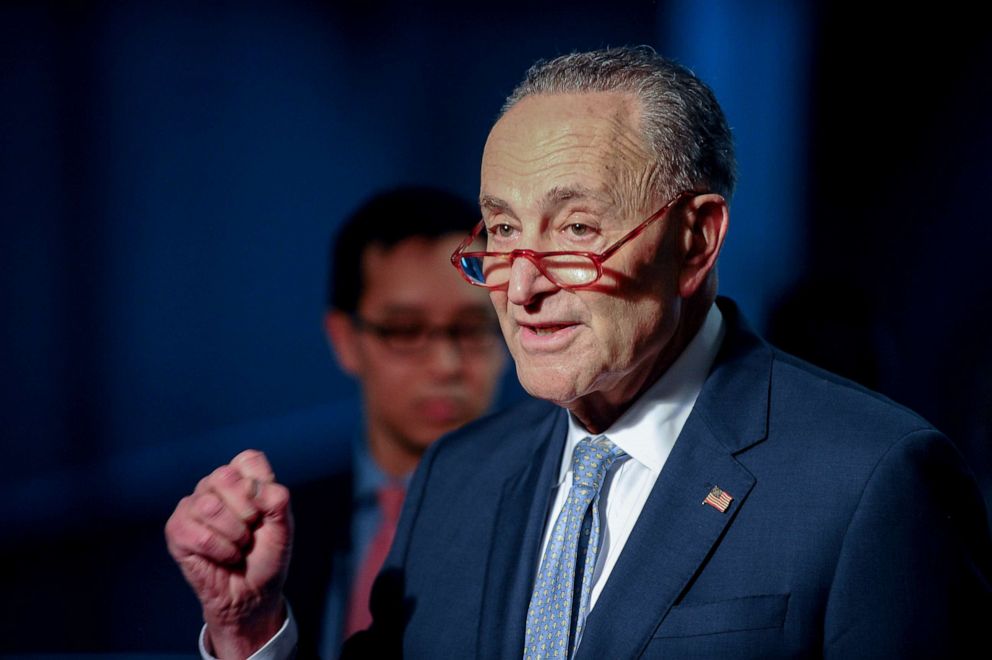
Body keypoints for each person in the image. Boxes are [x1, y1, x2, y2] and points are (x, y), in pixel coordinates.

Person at [165, 47, 991, 659]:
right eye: (501, 232)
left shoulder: (873, 480)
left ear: (695, 240)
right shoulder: (458, 475)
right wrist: (249, 631)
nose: (520, 289)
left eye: (576, 231)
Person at [168, 186, 506, 658]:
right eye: (406, 331)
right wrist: (245, 634)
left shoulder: (558, 517)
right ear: (345, 339)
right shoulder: (263, 525)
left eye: (472, 329)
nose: (446, 364)